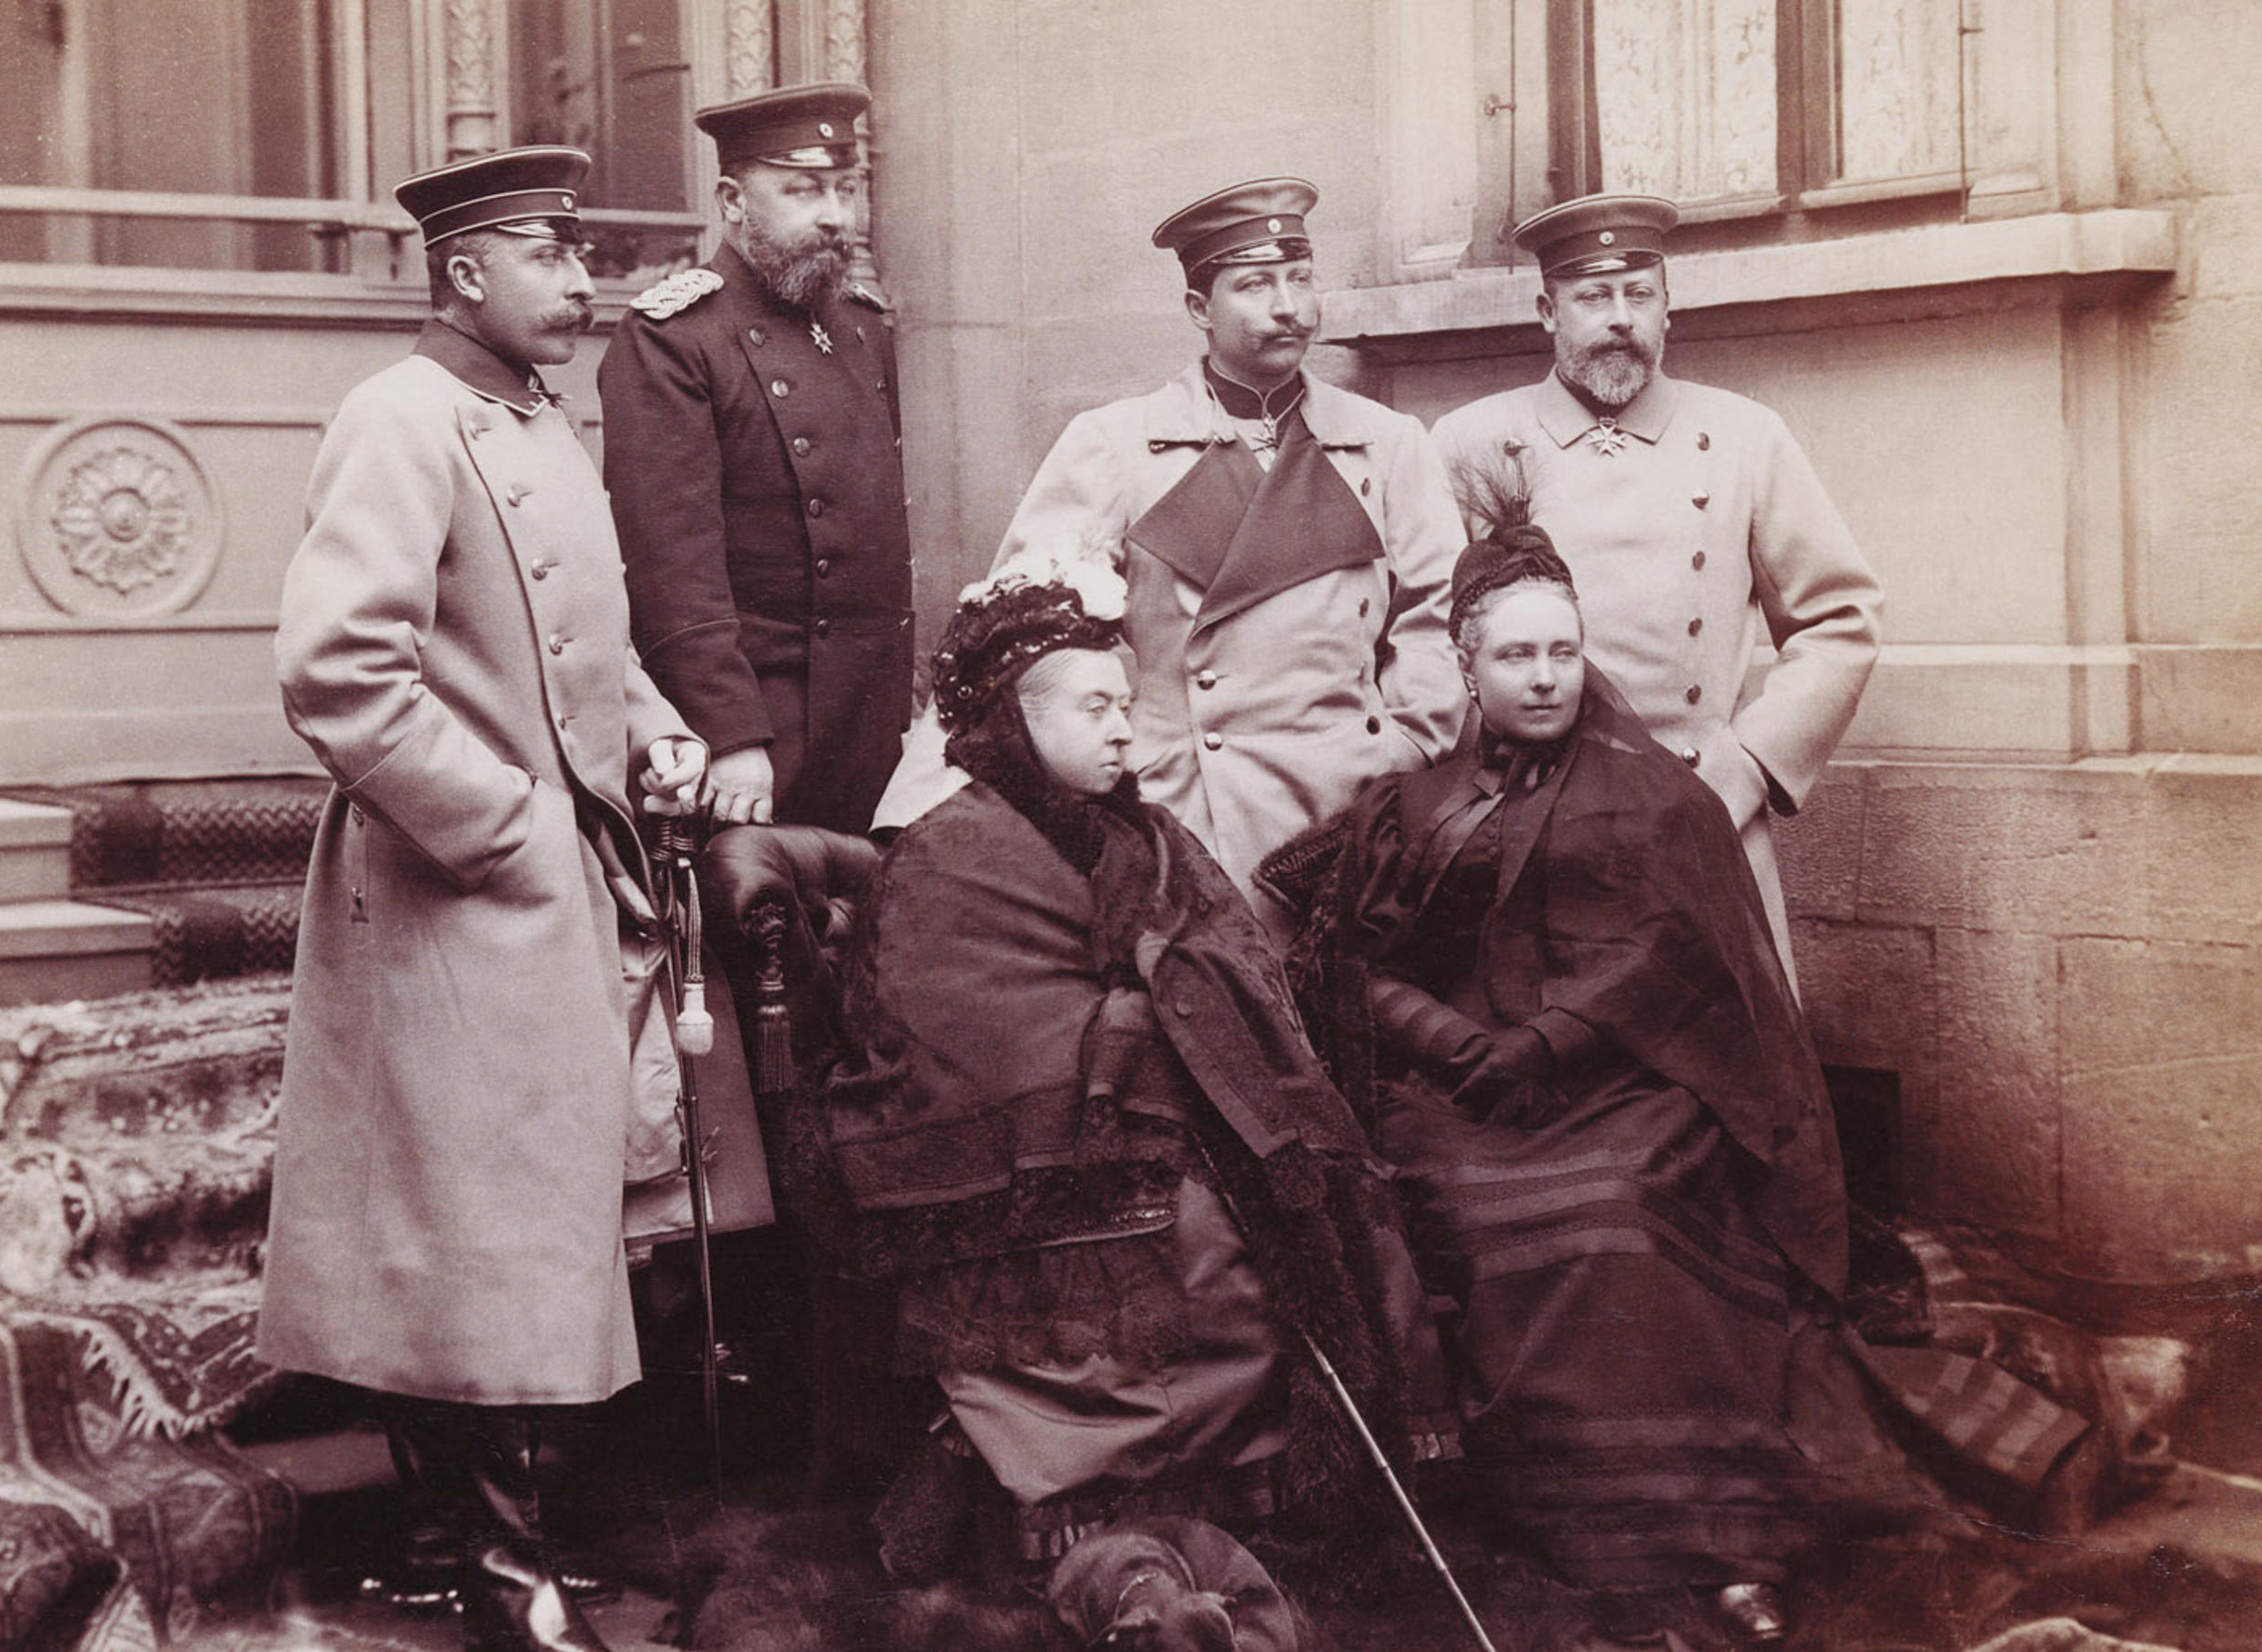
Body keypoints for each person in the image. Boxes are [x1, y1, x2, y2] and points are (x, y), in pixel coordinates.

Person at [1262, 487, 2089, 1645]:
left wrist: (1549, 1039)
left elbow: (1677, 957)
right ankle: (1575, 1518)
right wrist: (1452, 1041)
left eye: (1562, 649)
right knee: (1471, 1209)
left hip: (1632, 1085)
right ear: (1465, 663)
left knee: (1616, 1206)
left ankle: (1711, 1535)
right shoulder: (1415, 801)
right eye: (1515, 655)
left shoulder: (1657, 794)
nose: (1545, 675)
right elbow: (1351, 958)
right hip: (1454, 1096)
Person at [258, 146, 712, 1652]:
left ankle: (499, 1542)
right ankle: (497, 1572)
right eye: (550, 255)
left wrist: (656, 731)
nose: (583, 283)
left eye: (582, 253)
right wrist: (505, 824)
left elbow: (583, 649)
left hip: (556, 876)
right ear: (462, 273)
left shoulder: (538, 421)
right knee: (471, 1230)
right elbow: (337, 672)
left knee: (534, 1223)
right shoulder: (397, 419)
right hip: (455, 882)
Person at [813, 555, 1448, 1574]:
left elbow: (1231, 961)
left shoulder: (1149, 835)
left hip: (1161, 1110)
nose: (1122, 728)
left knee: (1334, 1189)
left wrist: (1182, 1014)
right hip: (1047, 1143)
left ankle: (1279, 1502)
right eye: (1093, 707)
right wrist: (1130, 1036)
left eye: (1126, 704)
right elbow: (955, 1024)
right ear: (1016, 724)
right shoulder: (948, 852)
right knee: (1203, 1236)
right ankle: (1099, 1494)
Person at [872, 179, 1465, 938]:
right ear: (1198, 311)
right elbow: (1014, 634)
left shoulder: (1387, 444)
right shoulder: (1114, 445)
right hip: (1178, 811)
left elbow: (1440, 617)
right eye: (1254, 284)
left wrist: (1405, 743)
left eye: (1300, 277)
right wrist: (922, 812)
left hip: (1348, 807)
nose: (1288, 305)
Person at [1428, 193, 1882, 980]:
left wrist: (1746, 765)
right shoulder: (1469, 443)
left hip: (1697, 809)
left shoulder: (1743, 437)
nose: (1618, 319)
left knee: (1721, 1062)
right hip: (1525, 821)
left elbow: (1840, 617)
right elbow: (1428, 631)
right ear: (1547, 310)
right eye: (1592, 297)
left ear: (1667, 309)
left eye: (1639, 295)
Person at [599, 82, 912, 836]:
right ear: (732, 200)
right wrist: (731, 735)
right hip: (760, 727)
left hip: (870, 718)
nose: (834, 214)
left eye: (845, 188)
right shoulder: (672, 338)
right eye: (802, 189)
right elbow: (670, 564)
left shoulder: (864, 327)